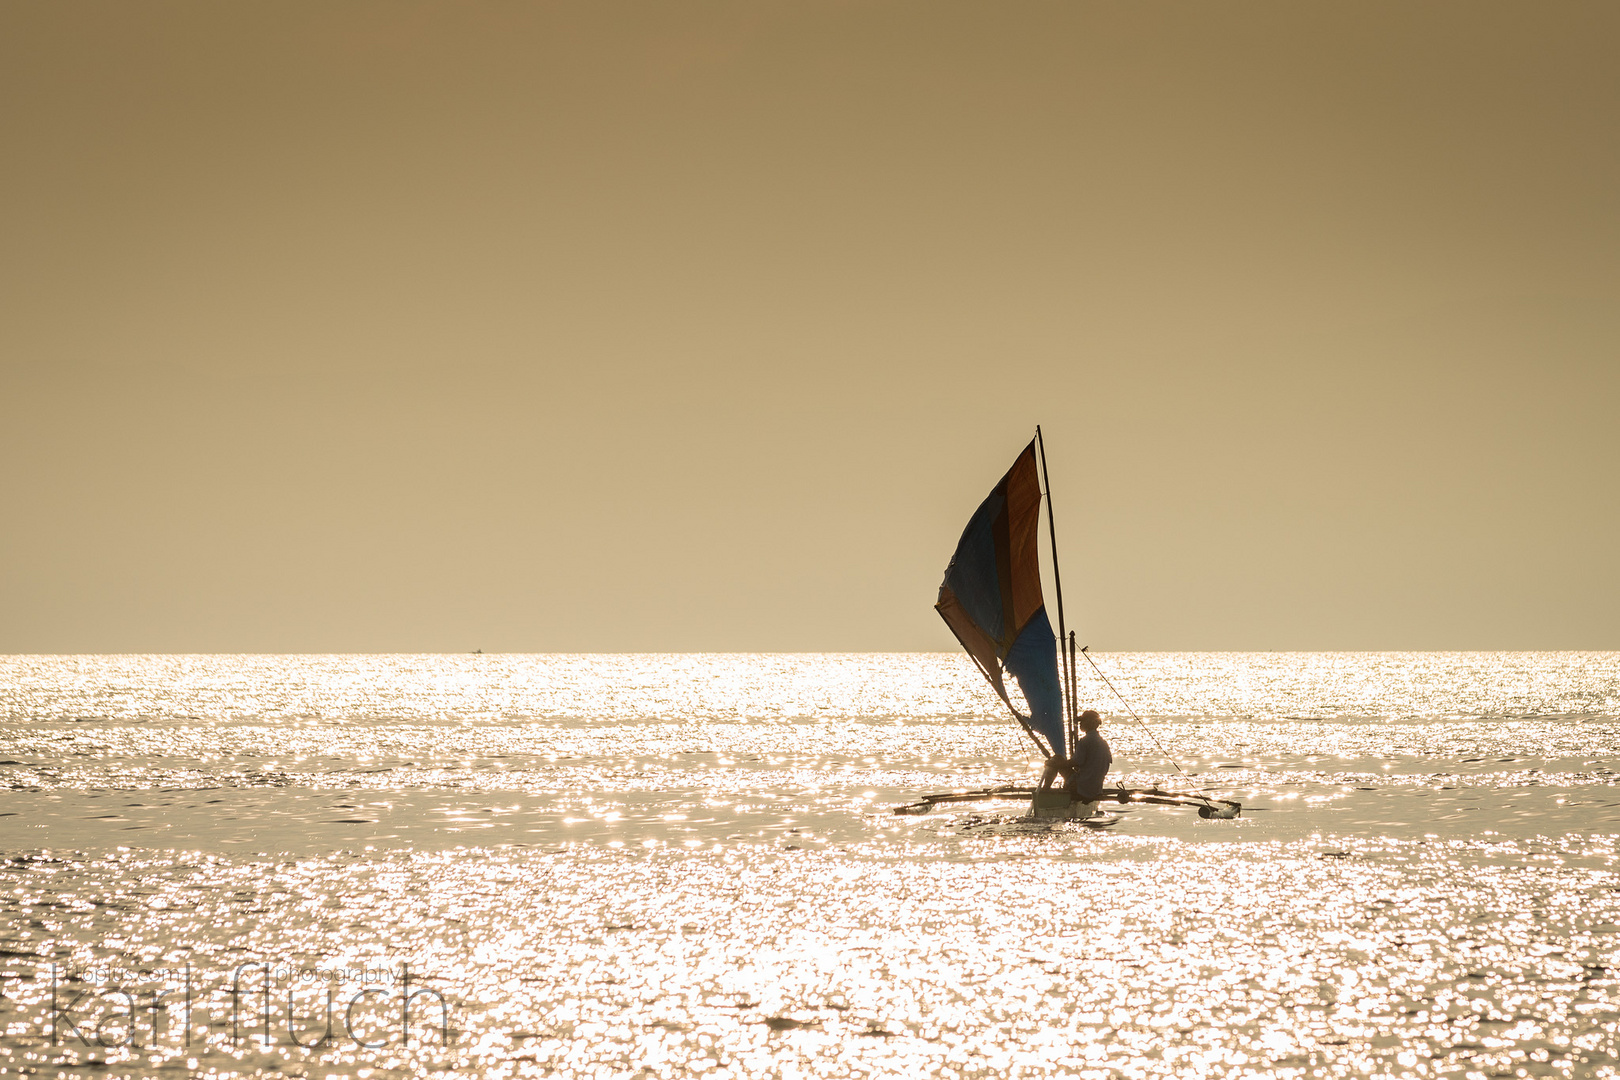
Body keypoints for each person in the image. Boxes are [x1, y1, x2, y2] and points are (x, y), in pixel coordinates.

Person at [1069, 710, 1113, 801]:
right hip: (1096, 788)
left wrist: (1056, 763)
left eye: (1083, 721)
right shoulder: (1103, 742)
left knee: (1056, 761)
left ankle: (1044, 793)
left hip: (1084, 787)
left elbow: (1076, 762)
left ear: (1090, 723)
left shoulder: (1085, 741)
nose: (1080, 724)